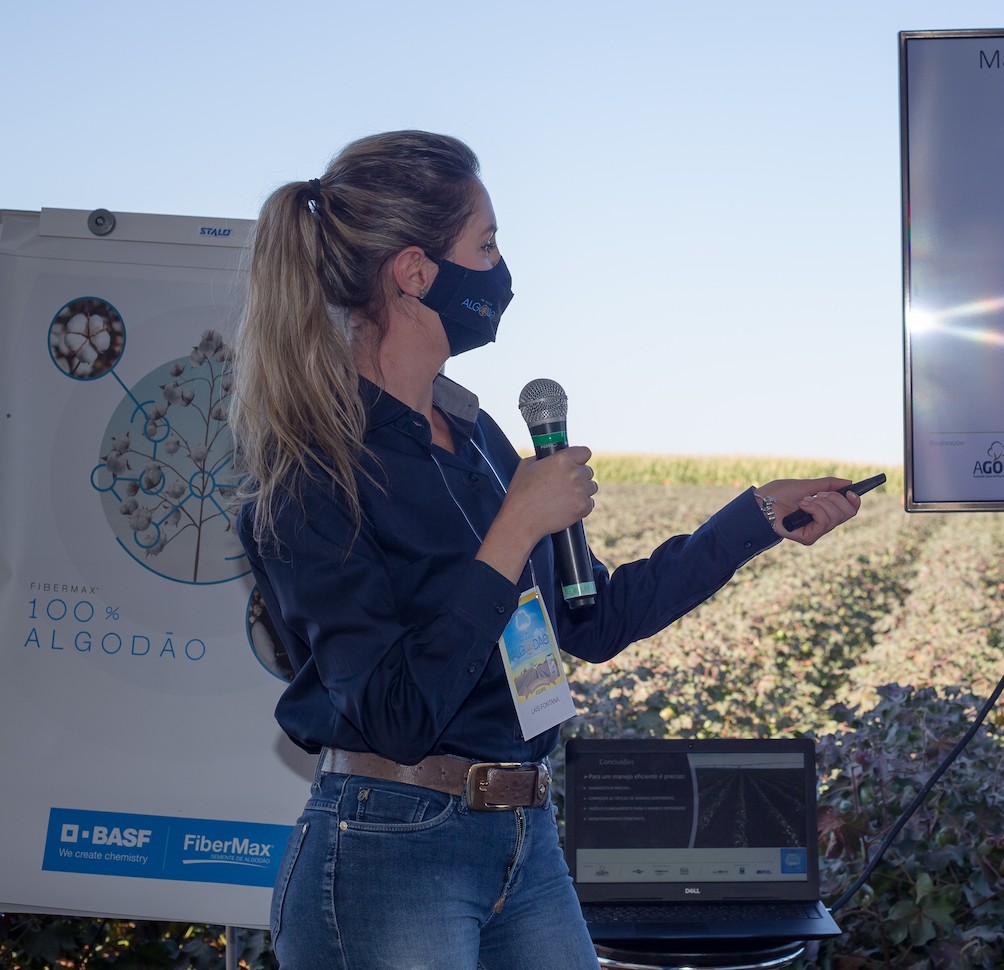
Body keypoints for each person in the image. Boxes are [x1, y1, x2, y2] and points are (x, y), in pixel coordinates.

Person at [229, 130, 863, 970]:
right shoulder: (311, 470)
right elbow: (395, 712)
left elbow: (592, 619)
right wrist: (515, 528)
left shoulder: (480, 436)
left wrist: (751, 517)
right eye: (486, 245)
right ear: (416, 272)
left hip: (522, 837)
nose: (501, 269)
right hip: (391, 845)